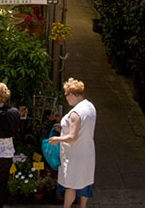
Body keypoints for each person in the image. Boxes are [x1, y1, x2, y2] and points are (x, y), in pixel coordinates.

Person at [48, 78, 96, 208]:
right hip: (87, 151)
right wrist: (63, 125)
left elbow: (73, 137)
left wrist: (57, 139)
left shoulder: (76, 113)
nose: (66, 98)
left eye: (66, 95)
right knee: (85, 182)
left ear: (72, 94)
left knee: (71, 185)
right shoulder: (90, 106)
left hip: (75, 155)